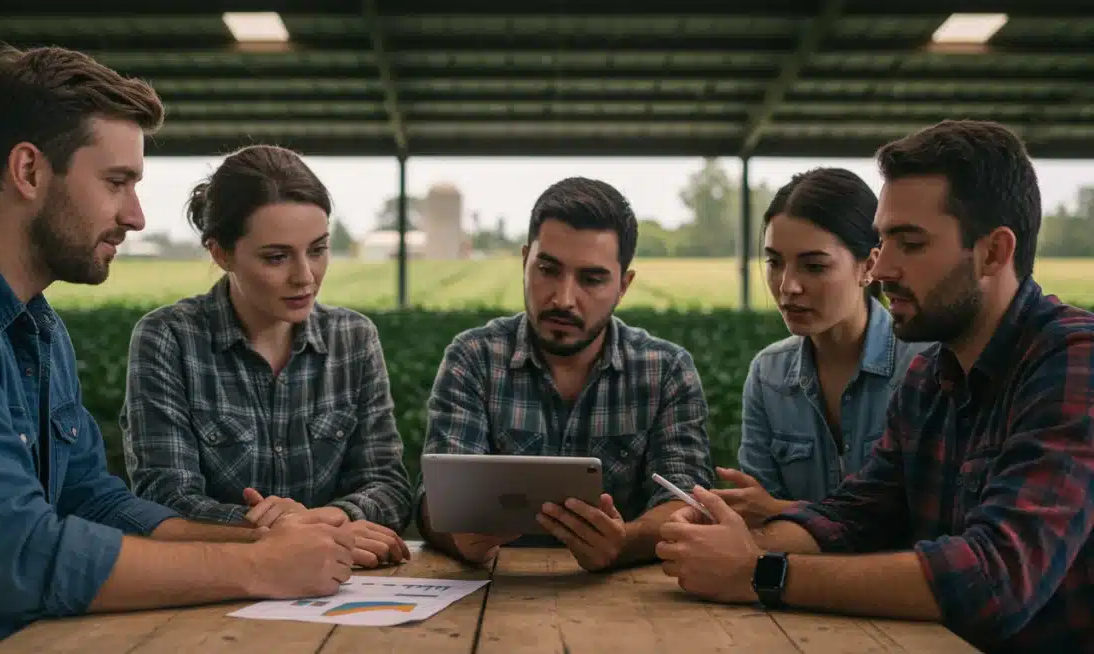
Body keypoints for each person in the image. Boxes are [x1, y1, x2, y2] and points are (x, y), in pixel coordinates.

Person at [0, 46, 356, 654]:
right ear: (29, 171)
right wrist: (261, 569)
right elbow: (15, 555)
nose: (136, 217)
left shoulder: (37, 326)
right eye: (117, 182)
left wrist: (264, 540)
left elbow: (92, 498)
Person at [655, 120, 1094, 653]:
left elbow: (996, 577)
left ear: (994, 254)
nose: (881, 267)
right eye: (883, 240)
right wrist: (732, 544)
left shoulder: (1073, 361)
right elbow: (856, 514)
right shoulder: (929, 376)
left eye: (909, 243)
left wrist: (760, 571)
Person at [120, 144, 413, 568]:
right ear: (221, 253)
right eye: (276, 257)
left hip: (338, 581)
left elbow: (388, 486)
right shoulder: (168, 338)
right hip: (218, 584)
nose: (305, 276)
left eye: (317, 250)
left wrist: (322, 520)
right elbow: (166, 499)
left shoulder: (354, 338)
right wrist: (287, 533)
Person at [416, 176, 715, 571]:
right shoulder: (474, 358)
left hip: (626, 602)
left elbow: (686, 497)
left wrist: (625, 542)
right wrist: (458, 536)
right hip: (494, 591)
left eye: (591, 279)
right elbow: (436, 498)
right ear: (525, 261)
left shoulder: (666, 370)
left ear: (624, 286)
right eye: (548, 270)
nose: (563, 298)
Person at [716, 168, 931, 526]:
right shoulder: (768, 374)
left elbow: (921, 520)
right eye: (774, 262)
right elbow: (757, 513)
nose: (787, 286)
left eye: (814, 266)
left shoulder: (924, 365)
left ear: (869, 267)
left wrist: (783, 511)